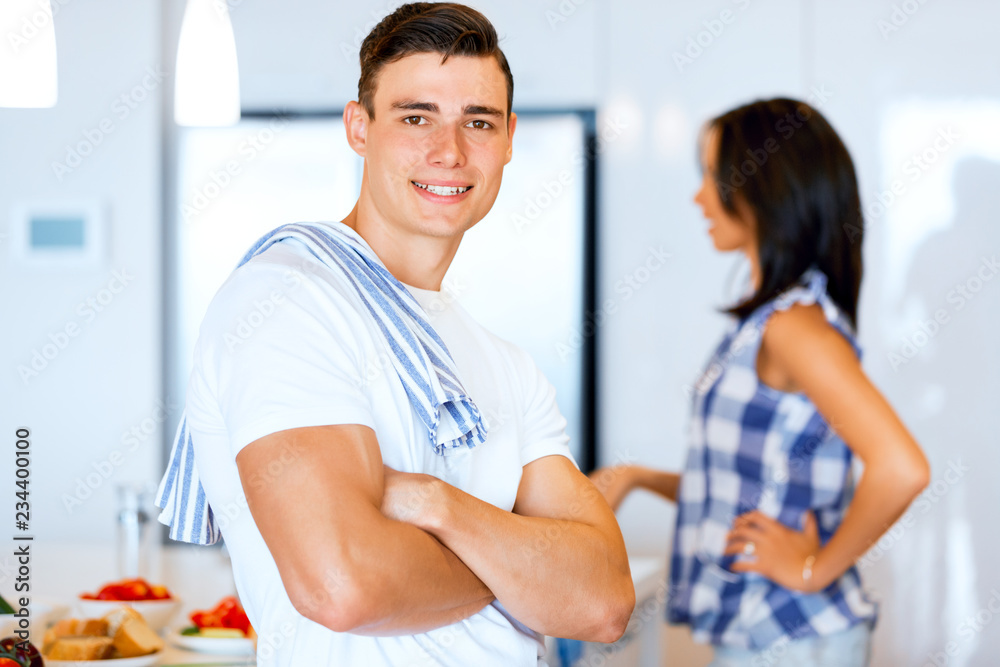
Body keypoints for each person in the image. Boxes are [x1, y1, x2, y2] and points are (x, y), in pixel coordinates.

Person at [154, 4, 633, 666]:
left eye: (479, 121)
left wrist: (439, 505)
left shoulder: (506, 364)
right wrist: (522, 574)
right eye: (416, 117)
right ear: (359, 127)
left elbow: (604, 598)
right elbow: (341, 583)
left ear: (509, 139)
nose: (450, 151)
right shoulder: (289, 301)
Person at [589, 98, 930, 666]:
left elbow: (902, 468)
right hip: (773, 634)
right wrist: (640, 477)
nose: (699, 196)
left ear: (765, 188)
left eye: (711, 176)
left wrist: (811, 567)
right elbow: (749, 483)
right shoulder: (772, 323)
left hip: (790, 636)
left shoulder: (794, 327)